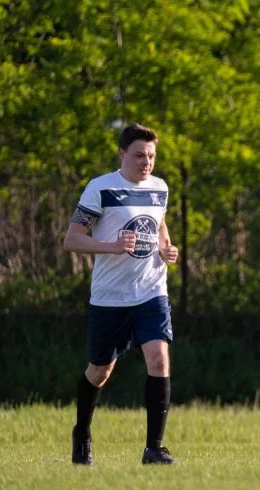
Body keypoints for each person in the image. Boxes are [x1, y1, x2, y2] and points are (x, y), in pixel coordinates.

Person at [63, 123, 179, 465]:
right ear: (122, 154)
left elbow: (158, 225)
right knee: (100, 371)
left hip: (151, 293)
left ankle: (153, 449)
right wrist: (110, 246)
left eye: (152, 156)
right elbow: (71, 239)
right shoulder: (101, 189)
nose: (147, 162)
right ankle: (81, 433)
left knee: (159, 360)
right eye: (140, 155)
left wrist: (165, 248)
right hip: (110, 299)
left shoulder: (160, 188)